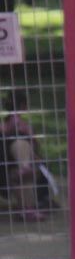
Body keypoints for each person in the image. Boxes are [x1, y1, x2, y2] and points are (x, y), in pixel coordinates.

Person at [0, 89, 45, 221]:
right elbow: (35, 146)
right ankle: (27, 209)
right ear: (24, 106)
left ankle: (26, 209)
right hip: (9, 164)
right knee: (24, 170)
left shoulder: (11, 125)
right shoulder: (15, 125)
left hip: (16, 164)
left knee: (22, 172)